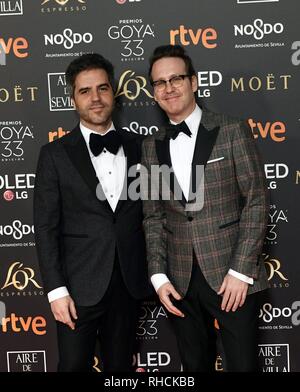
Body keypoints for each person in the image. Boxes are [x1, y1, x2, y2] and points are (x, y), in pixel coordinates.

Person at [141, 44, 269, 372]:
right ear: (153, 91)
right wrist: (158, 275)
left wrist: (241, 271)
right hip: (180, 281)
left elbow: (255, 200)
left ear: (194, 82)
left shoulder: (231, 130)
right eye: (159, 82)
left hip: (231, 276)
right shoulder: (152, 146)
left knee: (243, 365)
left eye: (176, 78)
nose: (168, 88)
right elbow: (153, 215)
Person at [34, 53, 150, 372]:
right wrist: (56, 291)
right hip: (77, 287)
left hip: (127, 283)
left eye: (102, 88)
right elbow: (45, 228)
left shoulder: (141, 146)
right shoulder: (54, 155)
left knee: (120, 369)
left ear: (113, 92)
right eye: (85, 91)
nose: (95, 98)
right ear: (73, 99)